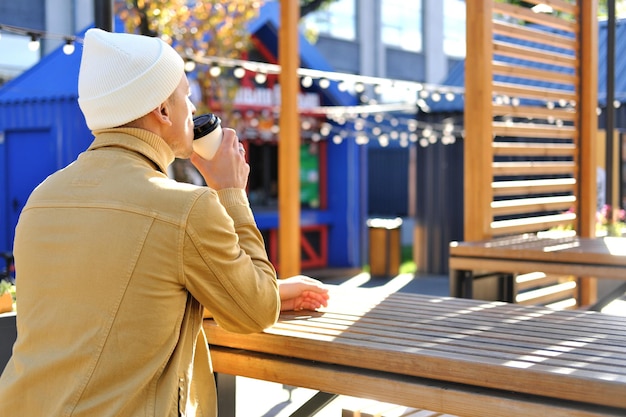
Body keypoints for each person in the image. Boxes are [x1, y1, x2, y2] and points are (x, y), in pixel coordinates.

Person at [0, 28, 329, 416]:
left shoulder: (42, 199)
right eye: (185, 95)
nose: (192, 107)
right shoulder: (185, 208)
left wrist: (272, 288)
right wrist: (231, 193)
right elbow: (254, 312)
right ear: (162, 110)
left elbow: (121, 302)